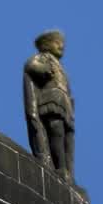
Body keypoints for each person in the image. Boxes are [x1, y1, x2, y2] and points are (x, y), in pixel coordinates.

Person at [24, 30, 75, 180]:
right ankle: (59, 166)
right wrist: (44, 70)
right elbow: (30, 66)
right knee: (55, 129)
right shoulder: (42, 58)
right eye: (57, 42)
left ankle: (66, 170)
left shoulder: (61, 67)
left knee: (67, 138)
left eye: (62, 43)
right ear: (46, 45)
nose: (61, 46)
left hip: (64, 103)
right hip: (50, 100)